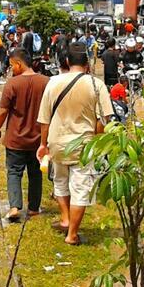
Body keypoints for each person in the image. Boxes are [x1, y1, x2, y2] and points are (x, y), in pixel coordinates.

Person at [36, 43, 113, 246]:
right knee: (80, 187)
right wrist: (98, 141)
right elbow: (105, 119)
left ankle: (65, 219)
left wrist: (43, 144)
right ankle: (72, 234)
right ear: (87, 63)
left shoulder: (52, 83)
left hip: (57, 142)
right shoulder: (96, 85)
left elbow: (44, 119)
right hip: (83, 145)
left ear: (67, 61)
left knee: (60, 180)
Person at [0, 49, 48, 222]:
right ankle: (33, 208)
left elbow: (3, 111)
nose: (11, 69)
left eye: (12, 66)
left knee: (14, 173)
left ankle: (15, 206)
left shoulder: (12, 84)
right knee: (35, 173)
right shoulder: (46, 82)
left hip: (15, 139)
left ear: (18, 64)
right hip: (38, 138)